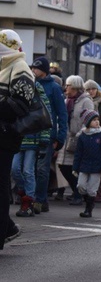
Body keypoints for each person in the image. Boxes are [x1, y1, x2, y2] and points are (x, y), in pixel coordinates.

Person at [0, 29, 35, 250]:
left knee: (1, 187)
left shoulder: (19, 67)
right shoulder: (3, 66)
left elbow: (21, 105)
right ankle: (8, 227)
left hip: (5, 137)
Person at [30, 56, 67, 214]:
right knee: (29, 168)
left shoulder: (54, 88)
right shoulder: (31, 84)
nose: (33, 70)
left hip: (48, 135)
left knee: (42, 169)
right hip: (31, 134)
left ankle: (40, 199)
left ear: (43, 71)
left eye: (36, 68)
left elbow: (62, 114)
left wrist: (60, 137)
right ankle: (36, 199)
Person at [11, 81, 51, 217]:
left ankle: (28, 202)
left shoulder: (39, 93)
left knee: (28, 171)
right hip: (19, 138)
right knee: (14, 169)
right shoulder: (16, 92)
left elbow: (46, 116)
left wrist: (44, 139)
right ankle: (26, 194)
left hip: (33, 139)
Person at [57, 75, 95, 206]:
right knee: (62, 165)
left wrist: (81, 133)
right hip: (66, 138)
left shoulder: (86, 100)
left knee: (75, 167)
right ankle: (76, 191)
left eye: (68, 85)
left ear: (74, 86)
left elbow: (90, 119)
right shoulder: (66, 100)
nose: (65, 88)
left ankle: (78, 194)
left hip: (79, 138)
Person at [72, 110, 101, 217]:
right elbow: (78, 153)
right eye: (94, 120)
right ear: (88, 122)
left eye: (98, 120)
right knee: (81, 186)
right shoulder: (83, 136)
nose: (97, 122)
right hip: (84, 166)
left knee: (92, 189)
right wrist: (75, 168)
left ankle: (88, 209)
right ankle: (88, 202)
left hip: (96, 167)